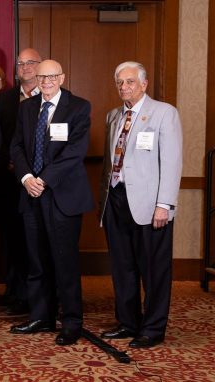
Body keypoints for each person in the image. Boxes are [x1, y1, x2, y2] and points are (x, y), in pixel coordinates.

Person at [9, 60, 93, 346]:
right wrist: (26, 179)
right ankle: (41, 316)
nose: (46, 80)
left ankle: (71, 321)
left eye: (52, 76)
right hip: (30, 194)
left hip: (62, 196)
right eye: (42, 76)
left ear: (62, 77)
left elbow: (74, 152)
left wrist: (42, 180)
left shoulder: (79, 107)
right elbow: (16, 146)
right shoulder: (27, 108)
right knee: (37, 261)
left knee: (65, 262)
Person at [99, 61, 182, 348]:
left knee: (154, 269)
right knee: (123, 267)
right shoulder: (113, 116)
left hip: (150, 205)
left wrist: (165, 204)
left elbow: (171, 162)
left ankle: (153, 328)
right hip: (116, 201)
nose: (124, 87)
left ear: (144, 84)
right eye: (120, 82)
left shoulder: (164, 113)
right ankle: (127, 322)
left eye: (130, 82)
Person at [0, 48, 43, 315]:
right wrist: (9, 164)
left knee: (37, 242)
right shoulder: (6, 99)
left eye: (30, 62)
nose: (25, 67)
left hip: (41, 185)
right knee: (13, 240)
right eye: (20, 63)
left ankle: (38, 296)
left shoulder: (49, 97)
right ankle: (16, 292)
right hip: (10, 182)